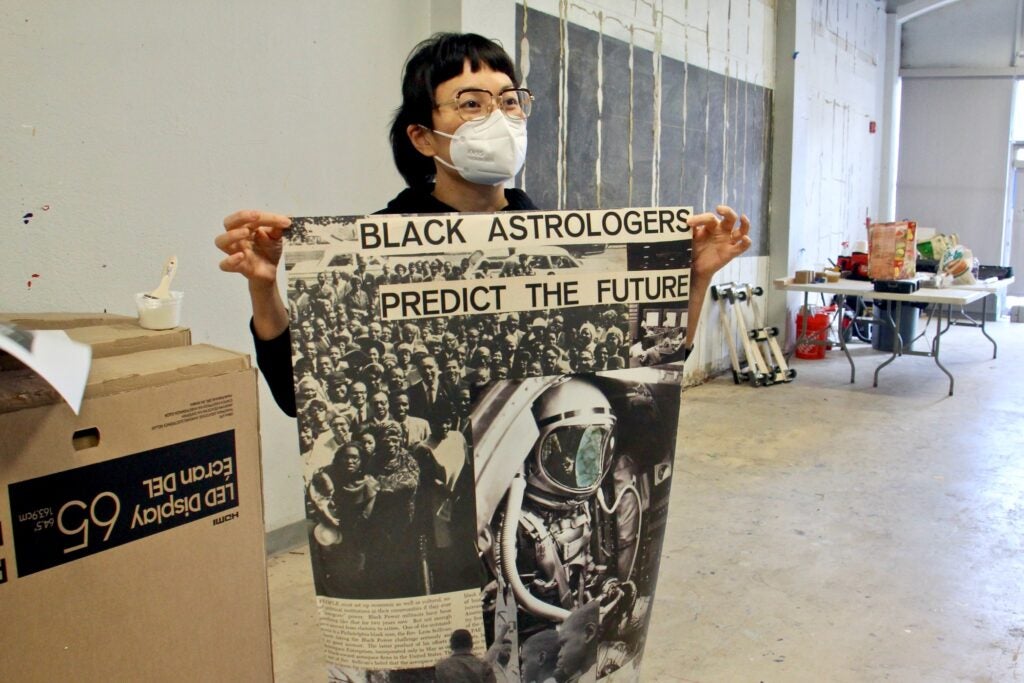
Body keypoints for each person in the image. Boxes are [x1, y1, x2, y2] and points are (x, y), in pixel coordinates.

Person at [215, 32, 752, 420]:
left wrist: (695, 278)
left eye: (510, 101)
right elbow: (299, 396)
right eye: (471, 104)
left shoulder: (562, 244)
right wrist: (265, 289)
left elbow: (649, 368)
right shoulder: (373, 249)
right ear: (423, 137)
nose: (499, 118)